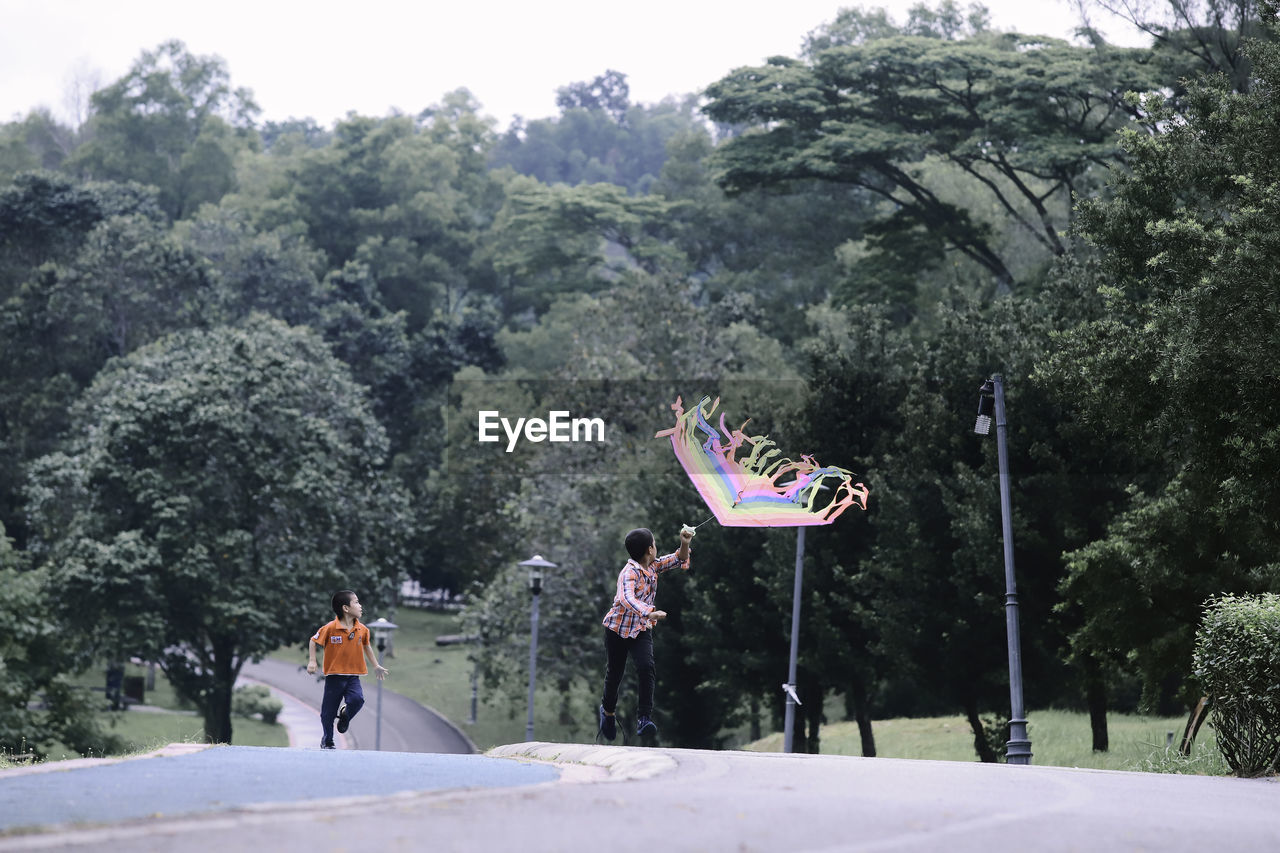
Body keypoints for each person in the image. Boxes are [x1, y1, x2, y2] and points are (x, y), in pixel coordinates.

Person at [597, 525, 693, 741]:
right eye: (655, 544)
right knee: (615, 673)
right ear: (650, 549)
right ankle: (608, 712)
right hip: (617, 629)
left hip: (640, 629)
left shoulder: (653, 566)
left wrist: (685, 543)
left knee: (646, 667)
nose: (657, 548)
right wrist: (649, 612)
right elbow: (625, 598)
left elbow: (678, 559)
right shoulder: (628, 573)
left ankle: (644, 718)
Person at [307, 589, 388, 749]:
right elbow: (313, 640)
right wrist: (312, 661)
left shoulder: (363, 630)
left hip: (353, 676)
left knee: (358, 699)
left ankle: (345, 715)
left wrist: (376, 665)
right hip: (334, 677)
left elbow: (367, 646)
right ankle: (328, 740)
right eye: (356, 602)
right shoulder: (330, 628)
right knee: (328, 712)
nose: (360, 606)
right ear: (345, 608)